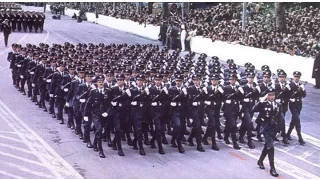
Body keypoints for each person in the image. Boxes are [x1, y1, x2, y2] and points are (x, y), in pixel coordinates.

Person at [253, 88, 280, 177]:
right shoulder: (263, 104)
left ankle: (260, 160)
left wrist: (279, 128)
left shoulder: (277, 104)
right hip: (265, 127)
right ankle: (272, 168)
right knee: (271, 147)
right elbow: (254, 109)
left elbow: (279, 117)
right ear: (267, 96)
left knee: (267, 146)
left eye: (273, 95)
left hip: (273, 128)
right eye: (269, 95)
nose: (271, 97)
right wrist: (261, 101)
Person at [286, 71, 307, 145]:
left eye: (298, 77)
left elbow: (304, 95)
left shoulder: (301, 85)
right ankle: (300, 138)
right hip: (292, 104)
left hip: (299, 104)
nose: (296, 78)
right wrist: (290, 98)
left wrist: (301, 90)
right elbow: (286, 95)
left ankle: (288, 134)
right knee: (297, 120)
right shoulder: (290, 85)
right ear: (293, 77)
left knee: (294, 119)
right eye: (295, 77)